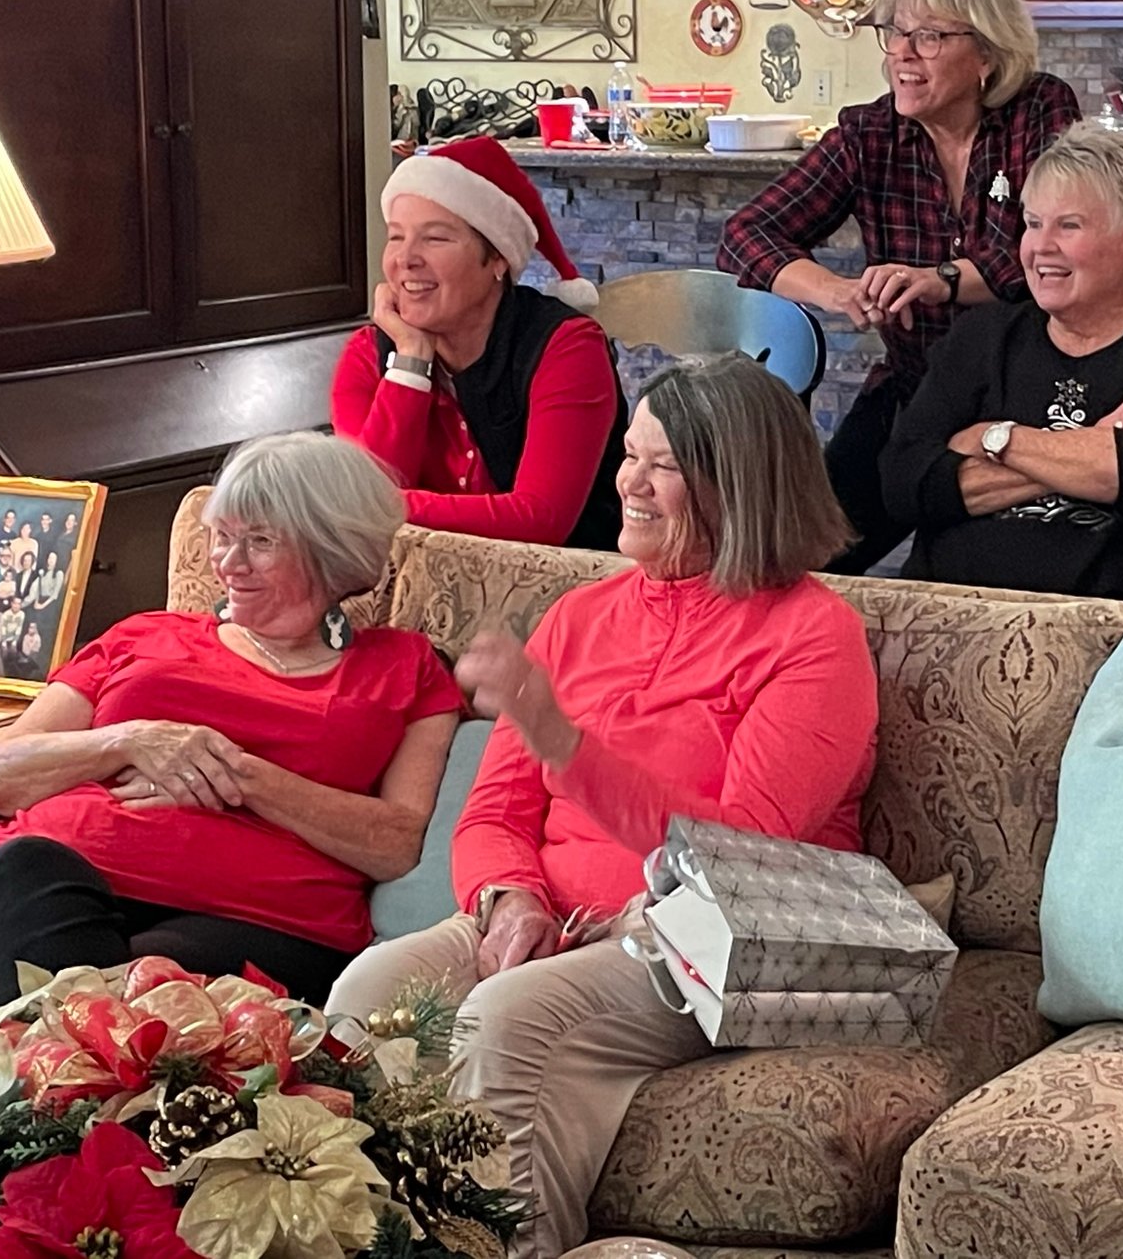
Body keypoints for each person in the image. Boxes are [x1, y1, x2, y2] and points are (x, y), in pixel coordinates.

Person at [326, 355, 878, 1259]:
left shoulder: (815, 636)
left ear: (732, 484)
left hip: (714, 931)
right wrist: (512, 901)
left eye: (660, 465)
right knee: (366, 995)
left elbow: (742, 849)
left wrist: (565, 743)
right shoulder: (579, 616)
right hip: (559, 912)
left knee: (506, 1021)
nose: (628, 482)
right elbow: (493, 812)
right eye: (631, 454)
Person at [0, 433, 461, 1022]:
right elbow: (0, 776)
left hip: (258, 923)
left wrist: (236, 774)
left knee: (152, 996)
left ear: (332, 552)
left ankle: (46, 1085)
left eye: (258, 542)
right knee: (31, 871)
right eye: (222, 536)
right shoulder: (145, 635)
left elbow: (395, 844)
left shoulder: (404, 669)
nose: (228, 563)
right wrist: (132, 740)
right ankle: (76, 1080)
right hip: (28, 895)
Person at [718, 0, 1081, 572]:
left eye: (930, 36)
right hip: (916, 388)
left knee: (983, 567)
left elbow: (1050, 253)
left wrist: (939, 281)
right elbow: (748, 235)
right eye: (894, 33)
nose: (902, 54)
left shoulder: (1039, 111)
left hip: (1030, 395)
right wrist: (835, 290)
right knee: (806, 559)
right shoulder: (869, 136)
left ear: (987, 55)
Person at [880, 125, 1123, 604]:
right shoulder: (983, 336)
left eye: (1069, 226)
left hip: (1108, 629)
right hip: (952, 621)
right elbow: (905, 483)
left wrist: (987, 438)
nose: (1040, 246)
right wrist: (1092, 444)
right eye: (1033, 223)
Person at [332, 134, 627, 550]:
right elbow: (368, 504)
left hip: (566, 594)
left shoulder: (566, 347)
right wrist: (411, 362)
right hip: (420, 592)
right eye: (396, 236)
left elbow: (541, 521)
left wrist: (368, 507)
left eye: (435, 238)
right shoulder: (368, 354)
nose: (406, 258)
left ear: (498, 259)